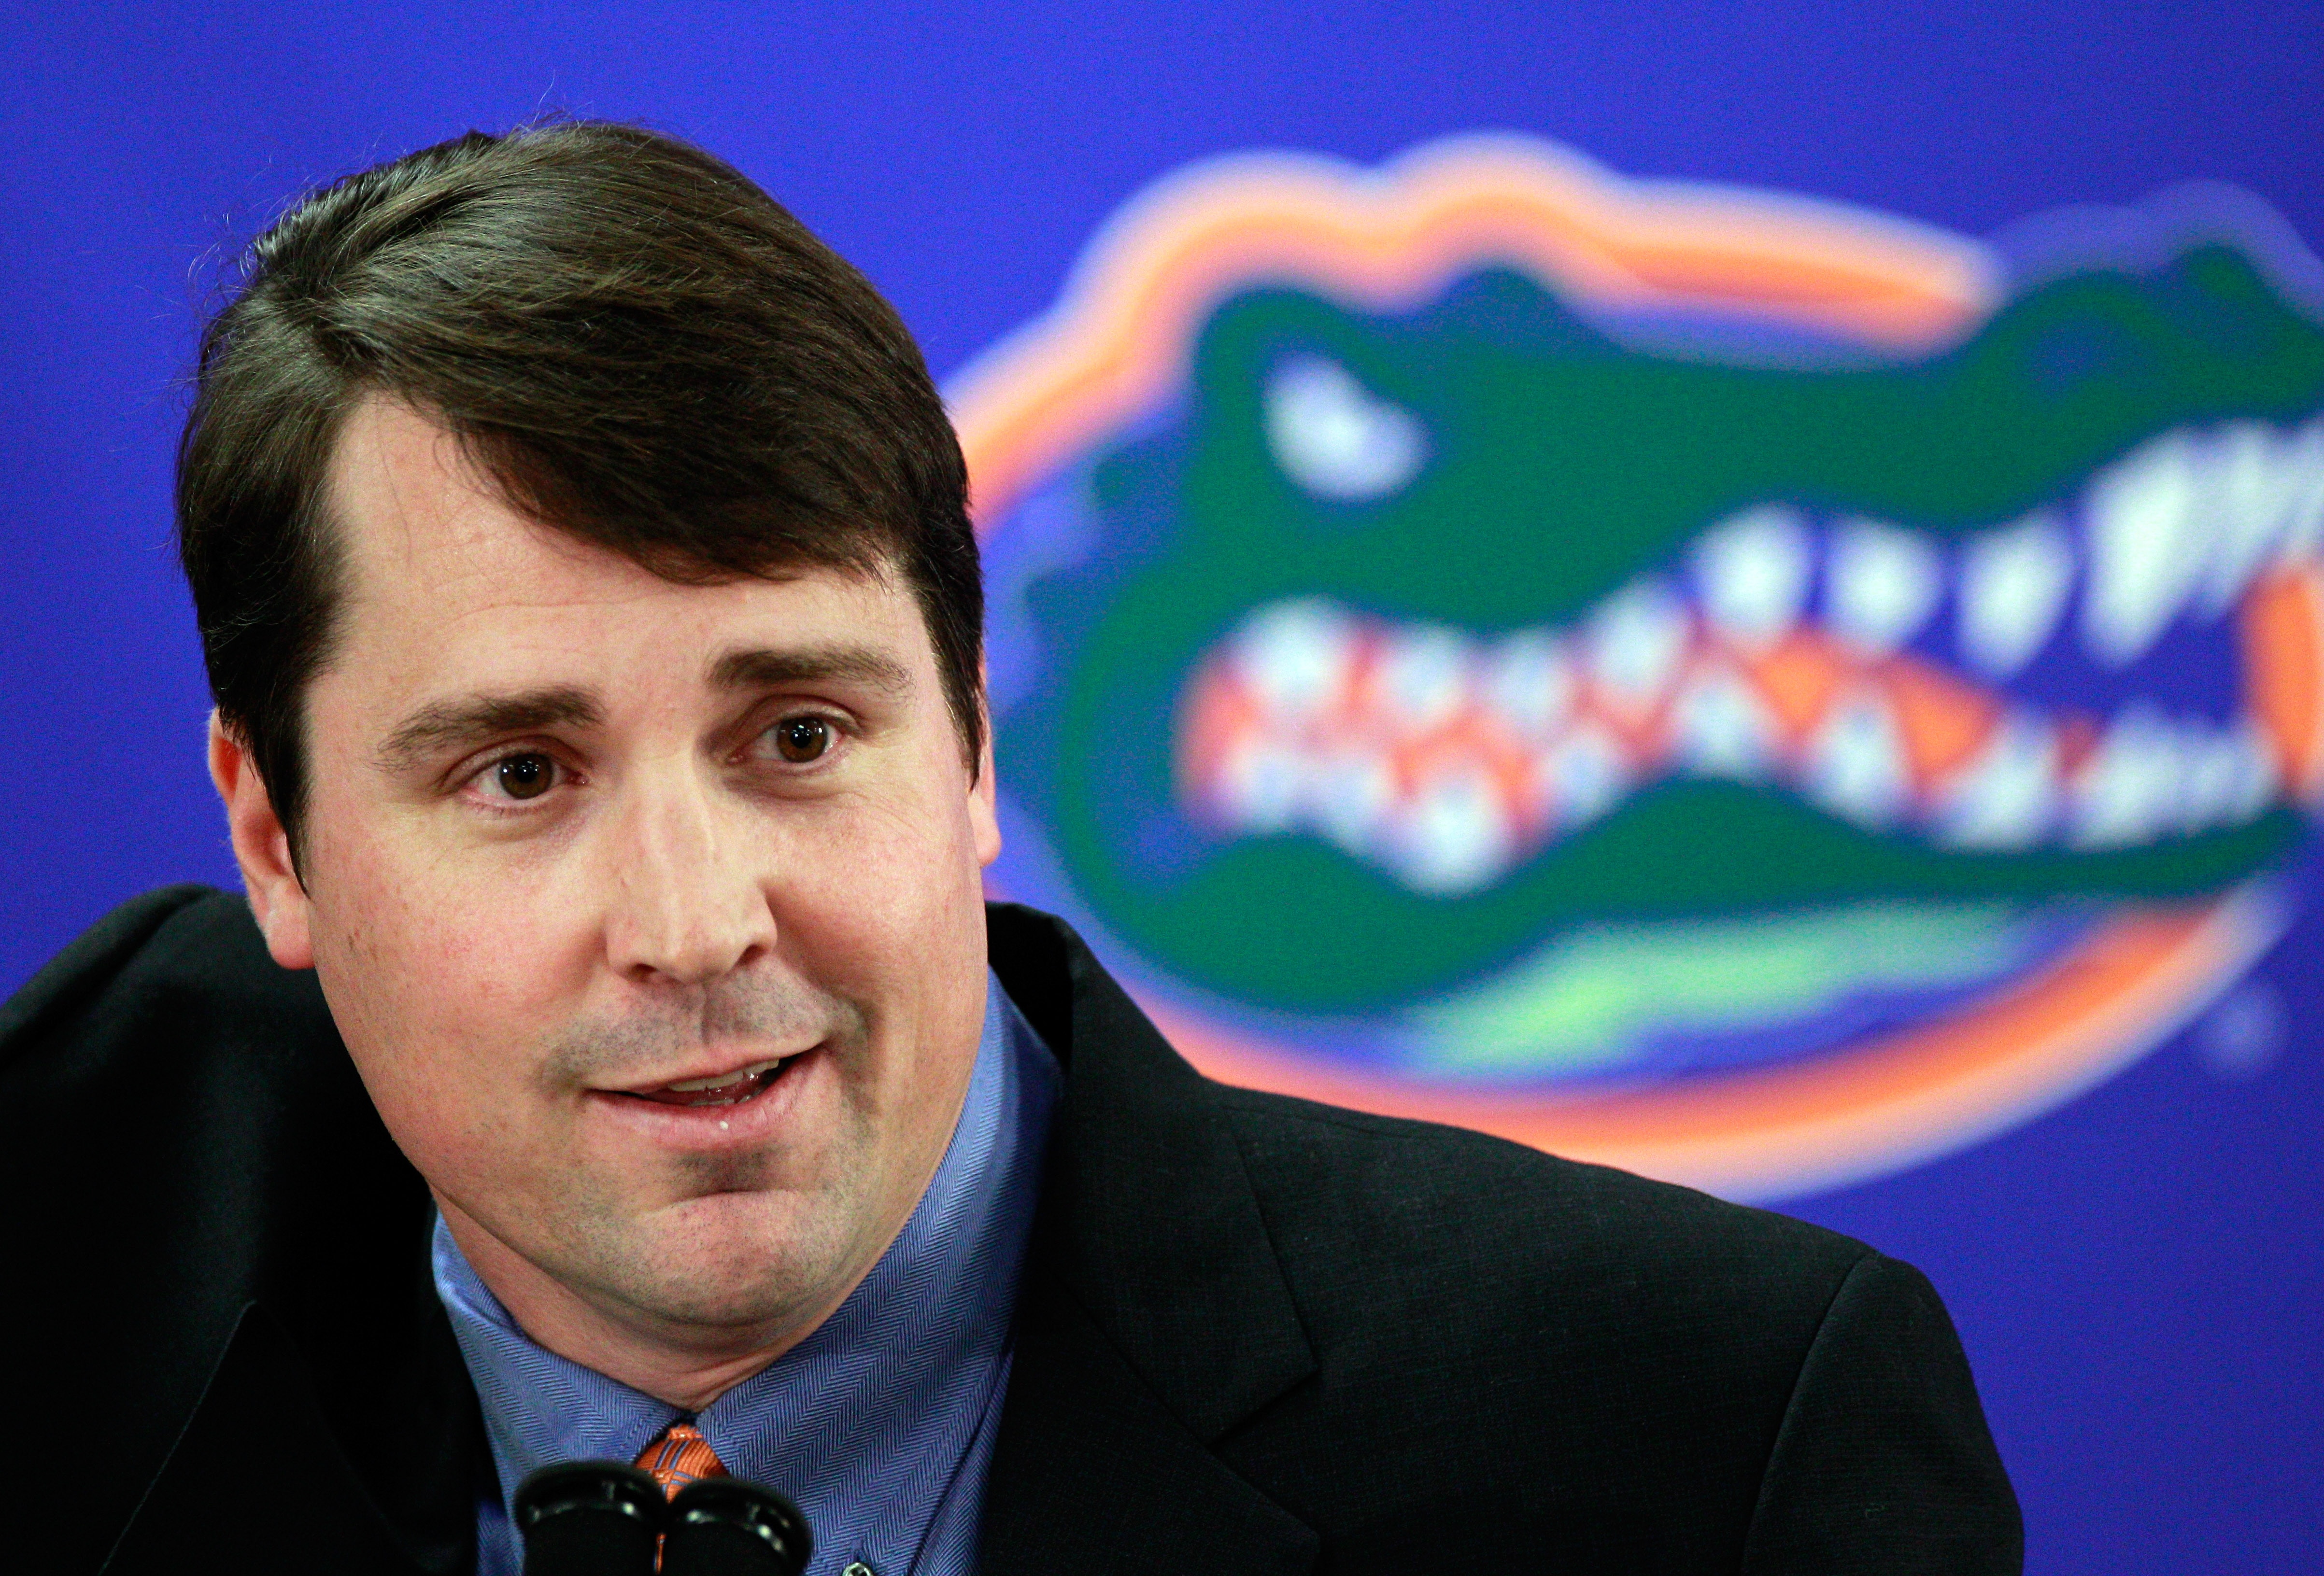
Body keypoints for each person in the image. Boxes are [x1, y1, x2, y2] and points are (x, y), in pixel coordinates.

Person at [0, 122, 2021, 1576]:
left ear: (969, 752)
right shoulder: (75, 1227)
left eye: (798, 735)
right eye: (521, 777)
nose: (696, 927)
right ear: (276, 837)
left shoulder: (1705, 1457)